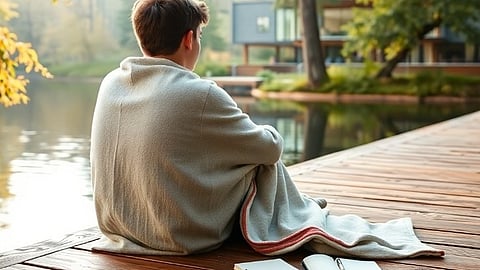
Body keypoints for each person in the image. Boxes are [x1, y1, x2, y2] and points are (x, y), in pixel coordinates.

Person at [90, 0, 444, 259]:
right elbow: (270, 149)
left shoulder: (111, 83)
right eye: (198, 35)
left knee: (228, 152)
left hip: (121, 229)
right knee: (258, 159)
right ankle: (292, 218)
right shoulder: (197, 92)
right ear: (188, 39)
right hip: (181, 235)